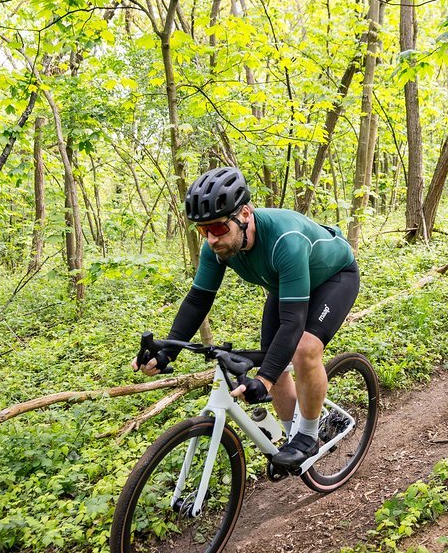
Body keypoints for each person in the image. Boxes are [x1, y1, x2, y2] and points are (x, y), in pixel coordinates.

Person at [132, 167, 360, 469]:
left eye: (218, 228)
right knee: (274, 363)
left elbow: (293, 323)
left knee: (303, 349)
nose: (212, 239)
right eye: (203, 230)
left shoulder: (285, 238)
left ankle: (307, 436)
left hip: (334, 278)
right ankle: (295, 435)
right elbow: (199, 299)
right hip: (286, 285)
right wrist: (166, 352)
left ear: (245, 214)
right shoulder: (216, 248)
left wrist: (262, 380)